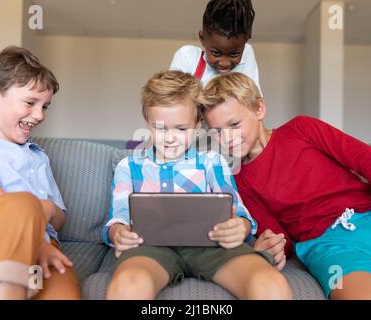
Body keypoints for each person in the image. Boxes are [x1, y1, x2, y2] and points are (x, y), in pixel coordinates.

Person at [201, 72, 371, 300]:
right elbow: (279, 236)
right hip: (328, 249)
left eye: (234, 124)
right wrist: (273, 245)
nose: (226, 139)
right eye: (217, 132)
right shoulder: (239, 181)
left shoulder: (302, 129)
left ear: (259, 109)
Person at [102, 70, 291, 300]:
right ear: (147, 123)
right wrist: (118, 233)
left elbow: (239, 212)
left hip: (213, 246)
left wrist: (241, 226)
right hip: (149, 249)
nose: (170, 138)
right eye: (160, 128)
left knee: (270, 285)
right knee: (127, 287)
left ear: (198, 123)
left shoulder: (213, 163)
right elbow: (117, 217)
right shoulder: (128, 167)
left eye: (181, 129)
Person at [0, 46, 81, 300]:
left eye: (45, 106)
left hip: (42, 248)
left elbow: (58, 219)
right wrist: (35, 240)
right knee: (20, 202)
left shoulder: (38, 156)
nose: (39, 115)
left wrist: (48, 209)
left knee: (64, 292)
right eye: (30, 103)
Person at [170, 0, 263, 94]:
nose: (224, 63)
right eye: (216, 53)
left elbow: (253, 102)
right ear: (202, 39)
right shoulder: (187, 57)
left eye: (234, 54)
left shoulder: (247, 54)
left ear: (246, 40)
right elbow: (171, 101)